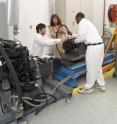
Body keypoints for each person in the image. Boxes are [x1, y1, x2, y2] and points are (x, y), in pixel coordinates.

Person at [73, 12, 106, 93]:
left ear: (78, 18)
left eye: (76, 19)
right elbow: (84, 34)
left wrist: (74, 41)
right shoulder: (87, 22)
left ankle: (88, 88)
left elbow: (82, 36)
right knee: (97, 66)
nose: (76, 21)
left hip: (93, 47)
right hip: (100, 45)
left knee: (90, 67)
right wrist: (74, 35)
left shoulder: (82, 22)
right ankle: (102, 85)